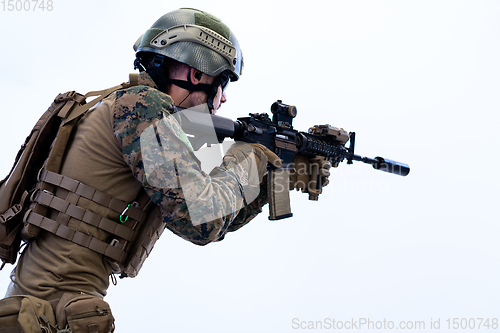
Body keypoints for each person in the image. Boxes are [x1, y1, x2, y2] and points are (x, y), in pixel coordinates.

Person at [2, 8, 330, 332]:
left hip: (47, 309)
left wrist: (278, 176)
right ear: (196, 72)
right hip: (53, 313)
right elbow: (202, 219)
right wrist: (250, 158)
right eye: (223, 81)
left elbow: (217, 219)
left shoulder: (128, 107)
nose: (224, 98)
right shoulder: (142, 106)